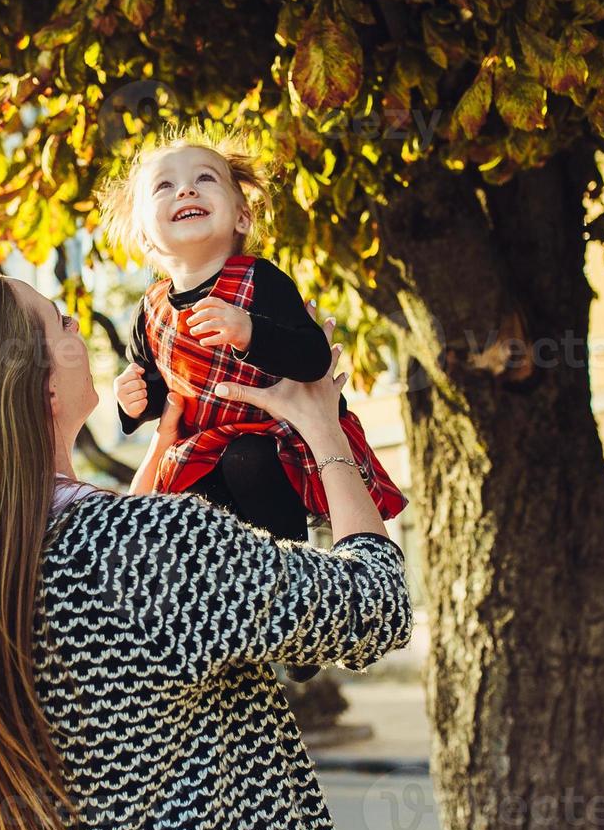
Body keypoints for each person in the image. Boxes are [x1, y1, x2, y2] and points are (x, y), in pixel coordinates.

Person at [0, 264, 412, 830]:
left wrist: (162, 447)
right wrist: (324, 430)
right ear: (41, 388)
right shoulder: (143, 545)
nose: (77, 327)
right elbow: (375, 605)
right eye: (59, 321)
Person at [100, 123, 408, 682]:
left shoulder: (258, 281)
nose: (186, 191)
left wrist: (251, 333)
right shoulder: (149, 313)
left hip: (274, 437)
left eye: (204, 180)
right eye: (164, 187)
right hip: (200, 447)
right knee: (188, 519)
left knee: (249, 463)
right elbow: (156, 393)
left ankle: (297, 613)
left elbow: (313, 357)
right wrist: (132, 401)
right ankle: (207, 623)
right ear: (145, 237)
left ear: (241, 218)